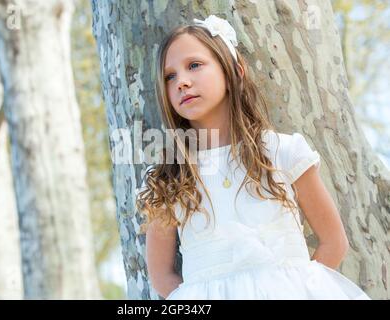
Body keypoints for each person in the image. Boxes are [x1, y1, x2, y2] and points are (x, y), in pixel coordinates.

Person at [135, 15, 371, 300]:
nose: (182, 82)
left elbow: (334, 242)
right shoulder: (167, 178)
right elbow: (161, 276)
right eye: (169, 77)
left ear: (234, 70)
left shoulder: (283, 152)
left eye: (194, 65)